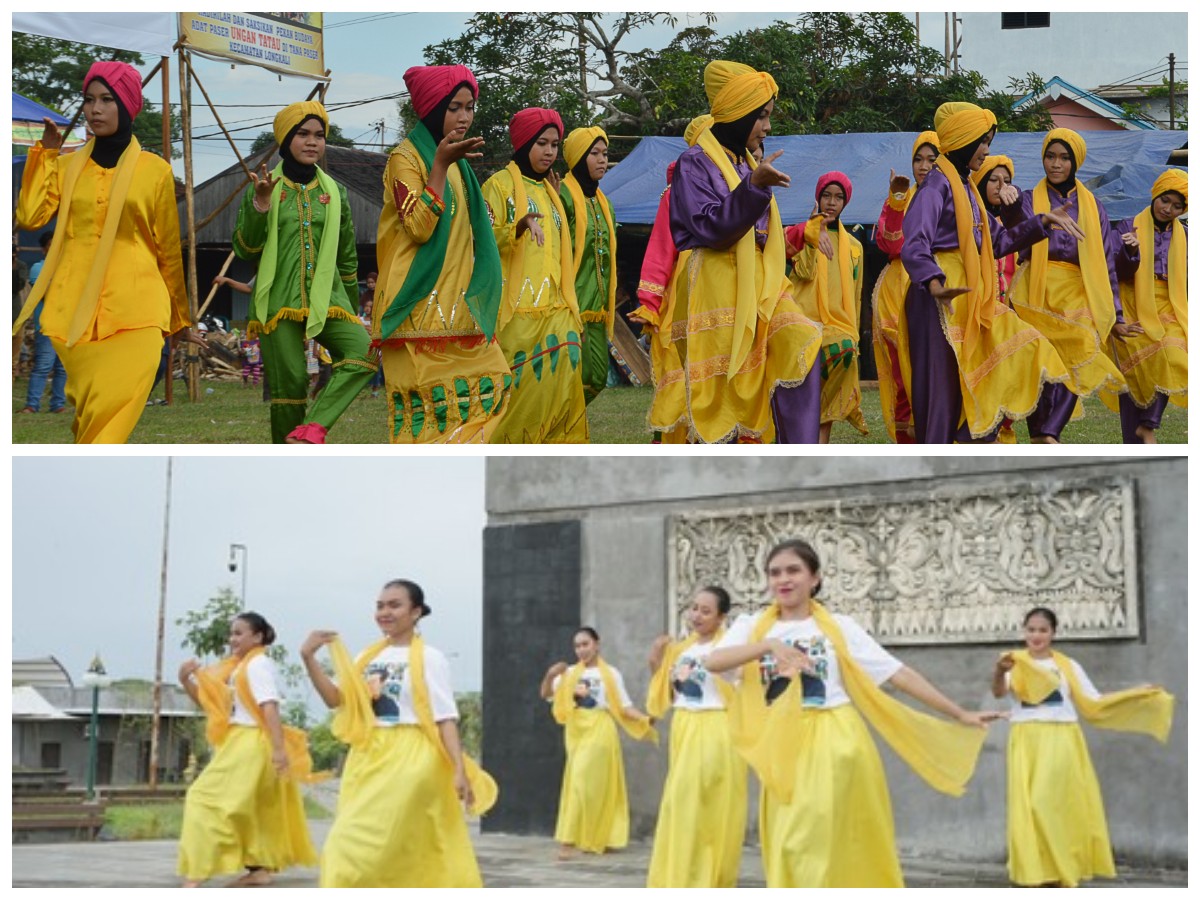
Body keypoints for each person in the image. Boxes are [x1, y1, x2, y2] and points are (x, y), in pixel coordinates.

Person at [705, 538, 1001, 887]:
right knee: (789, 843)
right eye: (775, 572)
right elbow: (714, 661)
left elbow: (897, 673)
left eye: (793, 570)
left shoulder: (838, 627)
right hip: (780, 746)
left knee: (815, 841)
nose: (783, 579)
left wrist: (958, 713)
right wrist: (769, 645)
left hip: (833, 739)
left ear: (814, 578)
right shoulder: (753, 626)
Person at [13, 61, 190, 443]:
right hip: (73, 308)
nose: (95, 110)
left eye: (107, 100)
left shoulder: (154, 170)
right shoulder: (63, 166)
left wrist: (180, 318)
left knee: (119, 403)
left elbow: (167, 249)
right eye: (89, 100)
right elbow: (30, 216)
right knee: (94, 412)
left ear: (127, 104)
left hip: (138, 305)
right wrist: (45, 153)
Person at [658, 60, 824, 443]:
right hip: (715, 287)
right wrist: (753, 187)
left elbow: (764, 235)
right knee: (723, 396)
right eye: (761, 117)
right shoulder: (694, 163)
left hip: (760, 286)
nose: (767, 127)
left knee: (803, 342)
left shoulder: (745, 162)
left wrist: (755, 184)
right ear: (737, 115)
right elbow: (711, 227)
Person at [900, 102, 1078, 444]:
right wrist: (935, 283)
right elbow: (915, 242)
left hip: (970, 295)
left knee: (1025, 351)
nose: (985, 152)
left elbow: (997, 242)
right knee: (940, 394)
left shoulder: (967, 188)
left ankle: (993, 443)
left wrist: (1042, 222)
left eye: (988, 144)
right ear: (966, 141)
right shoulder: (937, 186)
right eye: (983, 143)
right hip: (938, 297)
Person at [300, 579, 495, 887]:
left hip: (411, 754)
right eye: (380, 605)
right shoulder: (367, 656)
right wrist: (309, 659)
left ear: (415, 612)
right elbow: (336, 700)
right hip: (367, 755)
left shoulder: (430, 658)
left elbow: (445, 718)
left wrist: (459, 769)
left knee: (362, 845)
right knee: (360, 841)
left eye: (394, 605)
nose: (384, 612)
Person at [373, 65, 511, 442]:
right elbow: (418, 227)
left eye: (470, 107)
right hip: (414, 309)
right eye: (455, 107)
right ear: (434, 109)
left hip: (456, 306)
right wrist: (439, 165)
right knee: (426, 416)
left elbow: (477, 225)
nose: (465, 117)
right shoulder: (405, 159)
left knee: (494, 387)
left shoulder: (460, 164)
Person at [992, 607, 1174, 887]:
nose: (1036, 635)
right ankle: (1038, 871)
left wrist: (1138, 692)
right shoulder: (1012, 662)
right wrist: (999, 671)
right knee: (1030, 807)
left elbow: (1095, 700)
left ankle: (1062, 867)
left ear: (1053, 633)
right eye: (1031, 629)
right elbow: (999, 692)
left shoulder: (1068, 666)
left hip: (1062, 738)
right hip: (1026, 739)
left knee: (1050, 803)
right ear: (1024, 631)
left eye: (1043, 630)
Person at [232, 101, 377, 443]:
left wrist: (352, 307)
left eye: (318, 135)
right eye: (302, 134)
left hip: (329, 298)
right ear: (285, 139)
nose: (312, 142)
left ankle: (311, 428)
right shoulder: (263, 187)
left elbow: (346, 258)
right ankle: (289, 458)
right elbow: (245, 249)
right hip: (277, 299)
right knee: (292, 383)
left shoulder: (335, 192)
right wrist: (262, 205)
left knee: (364, 351)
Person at [1007, 128, 1137, 443]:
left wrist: (1117, 317)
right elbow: (1015, 232)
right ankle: (1041, 435)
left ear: (1075, 162)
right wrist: (1009, 206)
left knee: (1079, 352)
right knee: (1040, 365)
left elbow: (1106, 262)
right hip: (1035, 289)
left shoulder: (1094, 207)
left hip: (1079, 290)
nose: (1056, 164)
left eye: (1064, 158)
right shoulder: (1027, 198)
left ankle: (1050, 432)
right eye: (1050, 156)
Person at [177, 612, 317, 888]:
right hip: (240, 739)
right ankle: (259, 870)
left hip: (252, 742)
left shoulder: (258, 665)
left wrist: (279, 750)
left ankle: (199, 869)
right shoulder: (237, 667)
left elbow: (269, 706)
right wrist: (186, 681)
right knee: (256, 809)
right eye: (231, 633)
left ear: (258, 636)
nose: (232, 639)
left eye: (239, 633)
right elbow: (214, 706)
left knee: (205, 798)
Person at [482, 107, 588, 443]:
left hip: (557, 307)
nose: (549, 152)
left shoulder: (550, 192)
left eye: (555, 145)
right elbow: (481, 240)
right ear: (524, 142)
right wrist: (518, 226)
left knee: (565, 381)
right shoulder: (497, 186)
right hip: (516, 313)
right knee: (520, 392)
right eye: (541, 143)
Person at [645, 586, 746, 888]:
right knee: (682, 803)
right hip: (684, 726)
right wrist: (657, 659)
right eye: (693, 608)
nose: (696, 615)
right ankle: (682, 875)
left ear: (721, 617)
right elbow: (664, 691)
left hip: (715, 727)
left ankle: (709, 878)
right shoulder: (682, 649)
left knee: (710, 803)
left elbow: (742, 687)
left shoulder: (728, 649)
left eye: (706, 611)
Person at [629, 116, 712, 444]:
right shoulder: (676, 191)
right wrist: (650, 303)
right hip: (687, 291)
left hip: (725, 291)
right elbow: (661, 248)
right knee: (682, 380)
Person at [539, 627, 655, 859]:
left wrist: (644, 718)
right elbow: (545, 695)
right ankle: (599, 836)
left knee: (584, 781)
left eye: (586, 644)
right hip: (575, 731)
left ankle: (569, 840)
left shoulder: (610, 674)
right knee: (581, 783)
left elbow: (623, 706)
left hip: (600, 730)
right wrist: (551, 675)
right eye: (577, 646)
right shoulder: (569, 673)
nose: (581, 650)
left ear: (597, 644)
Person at [1104, 169, 1187, 443]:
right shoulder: (1129, 226)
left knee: (1176, 355)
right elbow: (1114, 270)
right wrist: (1131, 251)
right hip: (1132, 304)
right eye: (1166, 201)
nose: (1169, 209)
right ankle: (1134, 442)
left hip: (1170, 305)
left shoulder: (1185, 236)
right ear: (1156, 195)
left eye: (1178, 206)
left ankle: (1149, 424)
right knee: (1136, 380)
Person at [786, 172, 867, 442]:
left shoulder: (854, 246)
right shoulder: (801, 235)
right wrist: (811, 234)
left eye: (838, 197)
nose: (832, 202)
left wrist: (854, 333)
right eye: (827, 196)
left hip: (838, 326)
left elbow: (855, 295)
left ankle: (821, 441)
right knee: (803, 385)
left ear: (846, 202)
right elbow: (806, 272)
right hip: (802, 322)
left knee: (844, 353)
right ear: (818, 197)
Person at [872, 132, 939, 444]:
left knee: (934, 376)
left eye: (931, 159)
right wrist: (897, 199)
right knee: (903, 381)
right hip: (897, 293)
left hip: (936, 289)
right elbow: (889, 242)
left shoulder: (950, 196)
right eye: (918, 159)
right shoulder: (901, 197)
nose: (923, 166)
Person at [560, 126, 617, 405]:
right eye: (594, 153)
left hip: (597, 307)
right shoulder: (563, 196)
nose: (602, 160)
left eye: (605, 154)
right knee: (572, 377)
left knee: (596, 378)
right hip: (570, 305)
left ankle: (563, 423)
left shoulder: (605, 203)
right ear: (578, 156)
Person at [19, 231, 68, 414]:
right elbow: (49, 294)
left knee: (62, 368)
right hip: (46, 326)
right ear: (44, 249)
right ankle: (32, 404)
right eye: (51, 246)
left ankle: (58, 404)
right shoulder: (38, 268)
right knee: (43, 366)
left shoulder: (70, 269)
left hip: (67, 326)